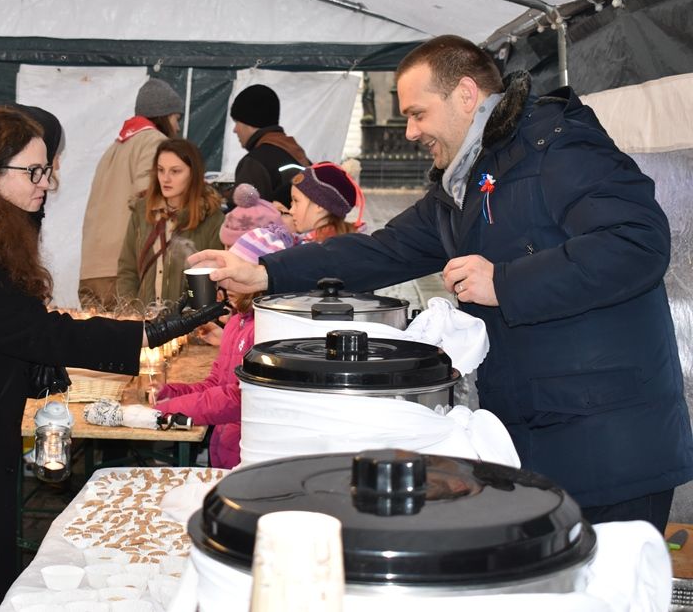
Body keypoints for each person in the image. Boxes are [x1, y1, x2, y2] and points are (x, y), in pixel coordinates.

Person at [190, 34, 693, 532]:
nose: (409, 131)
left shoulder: (557, 147)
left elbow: (638, 242)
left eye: (417, 113)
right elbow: (381, 251)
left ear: (466, 95)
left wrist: (506, 283)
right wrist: (266, 272)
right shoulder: (464, 181)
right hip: (537, 437)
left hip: (609, 444)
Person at [0, 106, 222, 611]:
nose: (48, 182)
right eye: (35, 172)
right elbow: (38, 331)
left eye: (49, 169)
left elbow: (19, 323)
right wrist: (150, 333)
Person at [152, 222, 294, 470]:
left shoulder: (268, 330)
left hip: (250, 457)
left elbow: (238, 397)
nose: (223, 283)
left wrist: (168, 410)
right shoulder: (237, 321)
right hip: (225, 451)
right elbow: (214, 385)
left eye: (232, 274)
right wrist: (171, 392)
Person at [79, 78, 184, 308]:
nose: (177, 128)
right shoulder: (155, 142)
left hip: (92, 269)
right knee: (135, 342)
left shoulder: (113, 148)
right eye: (177, 119)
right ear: (164, 115)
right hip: (122, 270)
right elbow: (149, 197)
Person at [116, 138, 225, 312]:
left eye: (175, 171)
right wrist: (131, 313)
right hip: (144, 324)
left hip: (187, 327)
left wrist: (193, 320)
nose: (165, 178)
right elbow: (127, 270)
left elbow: (214, 279)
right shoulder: (142, 211)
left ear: (193, 174)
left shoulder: (212, 218)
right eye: (160, 170)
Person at [230, 83, 310, 208]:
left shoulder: (254, 163)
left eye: (237, 122)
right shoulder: (296, 153)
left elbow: (242, 218)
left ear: (250, 121)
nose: (235, 130)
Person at [281, 161, 365, 241]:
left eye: (296, 201)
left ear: (319, 204)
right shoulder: (343, 242)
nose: (291, 211)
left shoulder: (313, 249)